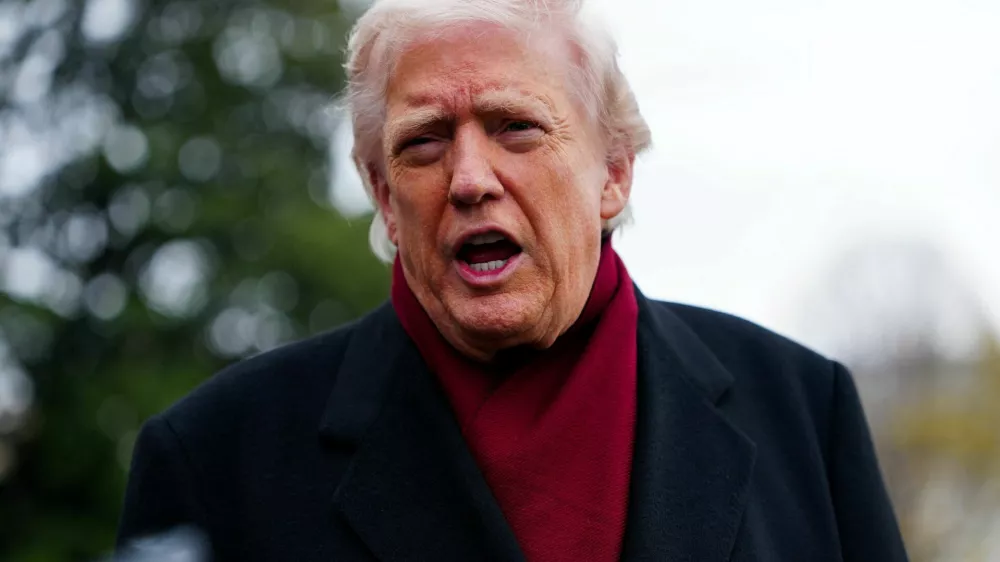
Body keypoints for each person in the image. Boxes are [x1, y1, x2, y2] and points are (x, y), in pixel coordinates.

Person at [116, 0, 910, 560]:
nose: (468, 179)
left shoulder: (806, 411)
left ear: (615, 173)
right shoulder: (216, 457)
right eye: (423, 142)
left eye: (515, 127)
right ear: (385, 198)